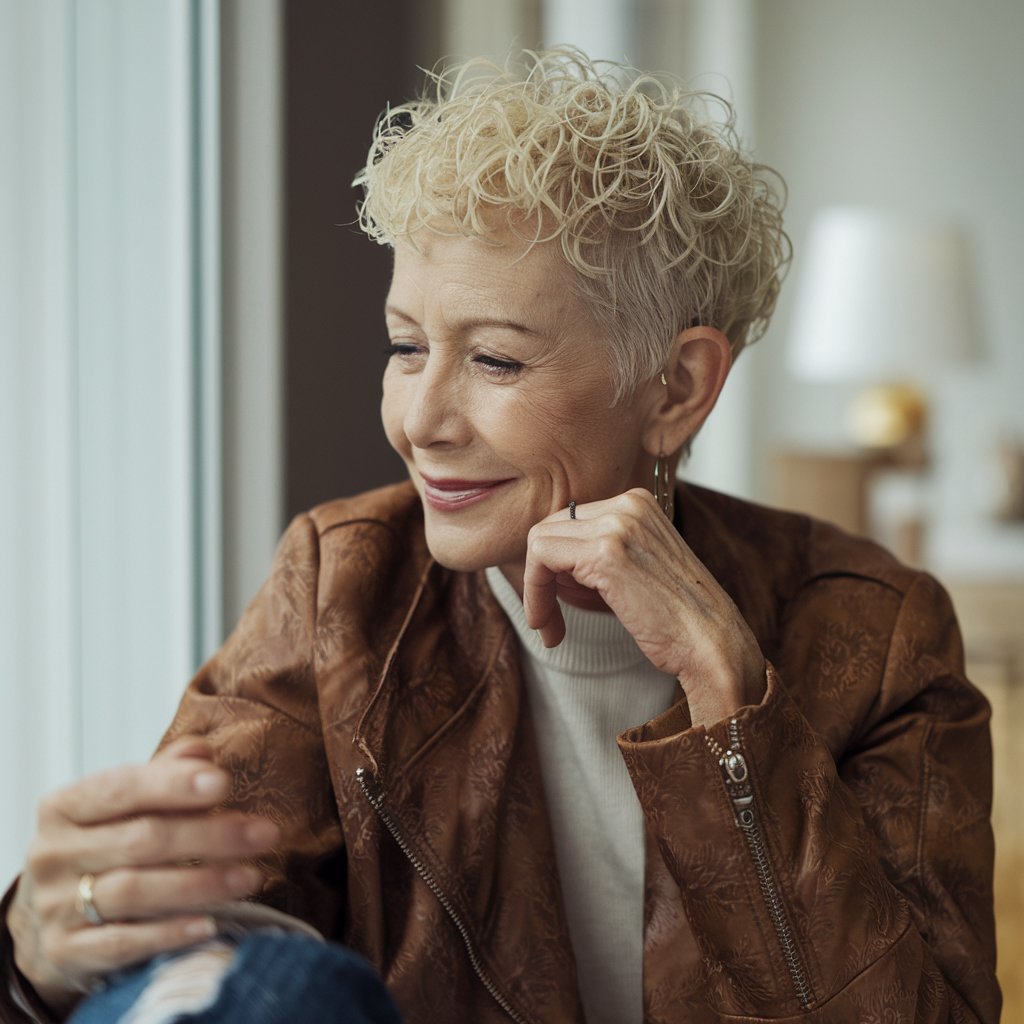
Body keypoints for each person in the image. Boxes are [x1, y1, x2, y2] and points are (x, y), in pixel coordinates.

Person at [1, 48, 1000, 1023]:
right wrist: (43, 953)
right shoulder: (342, 582)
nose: (420, 418)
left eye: (494, 360)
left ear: (678, 386)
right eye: (405, 346)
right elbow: (203, 947)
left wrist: (731, 713)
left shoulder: (877, 632)